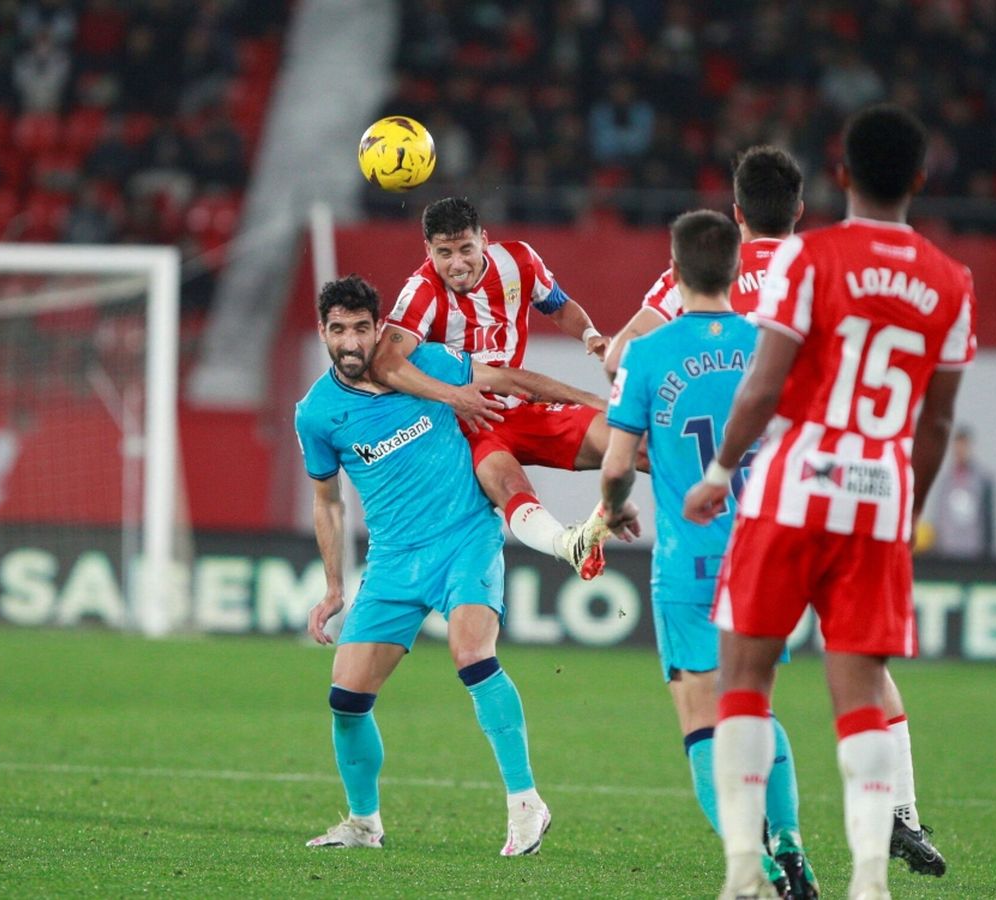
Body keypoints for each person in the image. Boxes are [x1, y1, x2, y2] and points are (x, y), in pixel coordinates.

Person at [618, 145, 952, 880]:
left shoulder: (705, 275)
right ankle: (898, 813)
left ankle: (758, 862)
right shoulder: (827, 269)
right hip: (838, 493)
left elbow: (624, 354)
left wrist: (658, 436)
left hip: (739, 512)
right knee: (861, 662)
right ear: (801, 211)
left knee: (739, 688)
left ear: (735, 215)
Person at [686, 106, 976, 900]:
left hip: (793, 487)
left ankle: (745, 868)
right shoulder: (952, 281)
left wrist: (719, 470)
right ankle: (871, 880)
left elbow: (765, 383)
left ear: (843, 177)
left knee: (742, 677)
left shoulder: (809, 259)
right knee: (859, 695)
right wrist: (899, 504)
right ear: (919, 179)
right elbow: (938, 419)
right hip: (878, 499)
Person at [296, 275, 603, 856]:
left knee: (471, 652)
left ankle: (525, 803)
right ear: (324, 333)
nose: (351, 342)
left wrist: (589, 400)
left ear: (379, 327)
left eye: (362, 328)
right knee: (346, 699)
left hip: (465, 537)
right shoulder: (316, 414)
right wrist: (334, 586)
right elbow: (327, 500)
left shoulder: (431, 362)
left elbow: (509, 380)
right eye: (339, 330)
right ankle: (364, 823)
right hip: (392, 562)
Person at [600, 210, 819, 900]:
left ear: (674, 270)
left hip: (690, 563)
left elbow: (613, 465)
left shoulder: (650, 353)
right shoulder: (771, 347)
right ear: (734, 270)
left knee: (702, 720)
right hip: (765, 558)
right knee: (756, 706)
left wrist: (614, 507)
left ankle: (747, 868)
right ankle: (790, 847)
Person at [373, 197, 615, 580]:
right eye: (444, 253)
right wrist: (453, 396)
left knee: (622, 439)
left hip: (519, 404)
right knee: (509, 483)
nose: (457, 264)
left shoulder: (518, 262)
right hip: (464, 427)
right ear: (428, 250)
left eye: (466, 249)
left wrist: (589, 334)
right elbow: (385, 363)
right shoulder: (421, 291)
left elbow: (559, 305)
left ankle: (702, 509)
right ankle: (570, 546)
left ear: (483, 240)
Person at [603, 145, 805, 380]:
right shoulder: (824, 274)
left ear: (738, 213)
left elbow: (617, 359)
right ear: (798, 211)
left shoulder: (695, 266)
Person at [928, 426, 995, 560]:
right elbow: (941, 515)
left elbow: (988, 519)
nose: (960, 451)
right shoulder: (946, 481)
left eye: (963, 446)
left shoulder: (982, 480)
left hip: (973, 551)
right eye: (957, 446)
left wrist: (988, 551)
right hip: (948, 550)